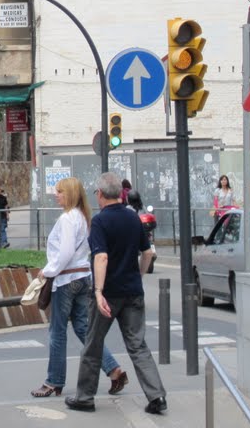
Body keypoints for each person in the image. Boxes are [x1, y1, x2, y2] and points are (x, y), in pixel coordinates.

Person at [65, 172, 166, 416]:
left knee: (93, 344)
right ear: (120, 193)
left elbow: (101, 257)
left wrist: (98, 291)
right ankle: (157, 396)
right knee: (138, 345)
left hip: (108, 293)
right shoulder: (133, 218)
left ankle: (85, 397)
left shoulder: (100, 221)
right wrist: (138, 276)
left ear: (99, 194)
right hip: (132, 291)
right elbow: (148, 253)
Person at [31, 177, 127, 398]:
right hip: (83, 277)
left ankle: (53, 381)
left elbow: (64, 253)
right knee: (84, 329)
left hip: (66, 280)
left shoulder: (67, 219)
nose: (57, 195)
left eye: (61, 192)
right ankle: (113, 369)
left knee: (57, 331)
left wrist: (48, 270)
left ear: (71, 194)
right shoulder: (83, 217)